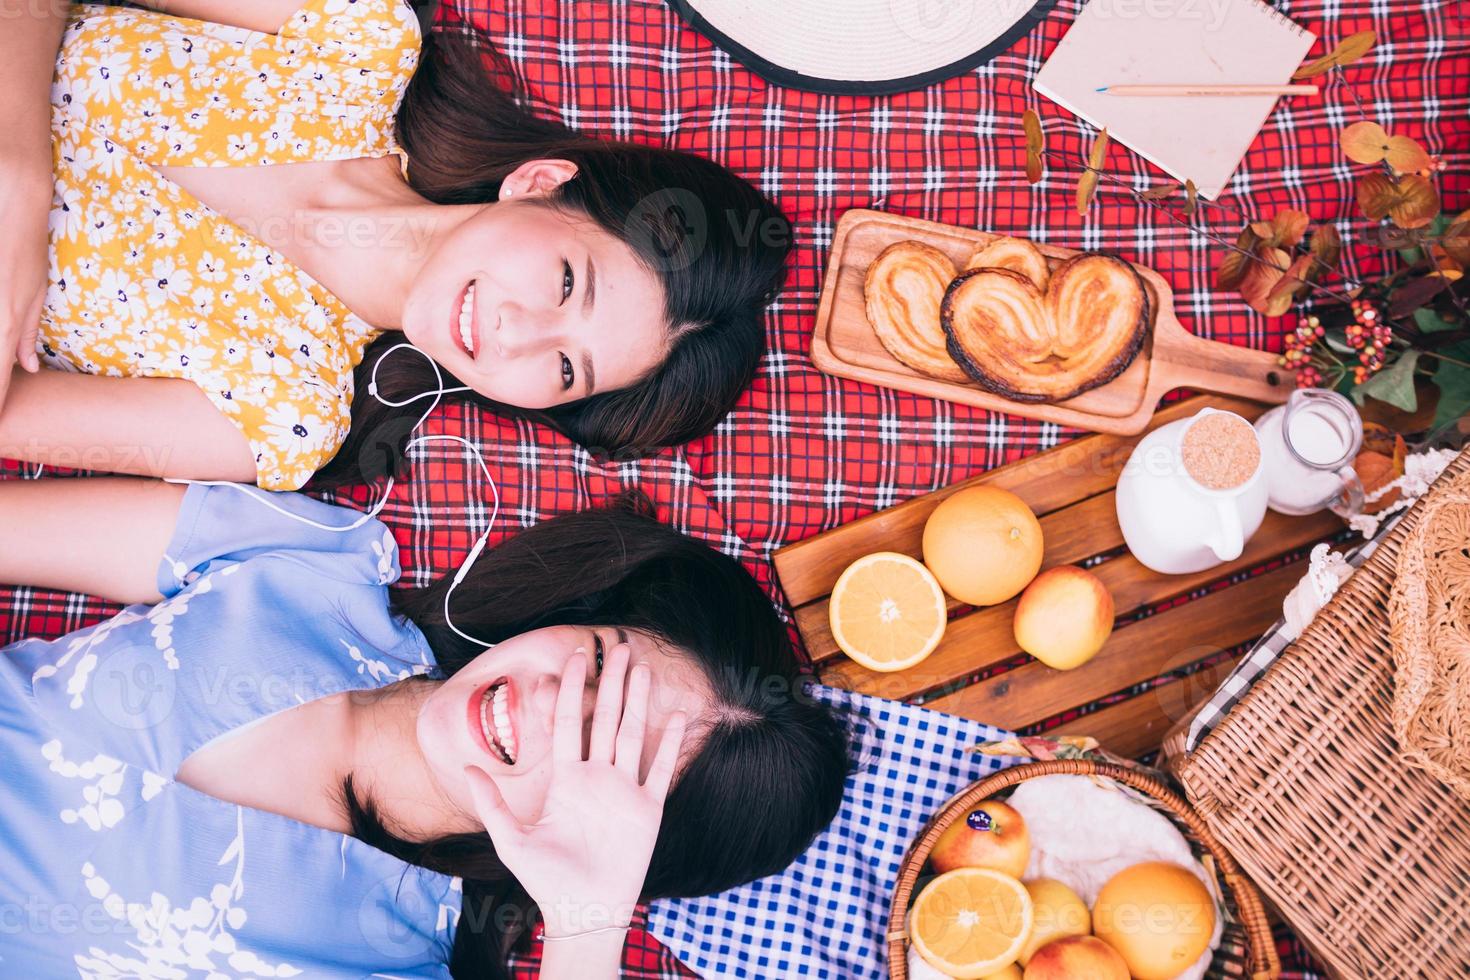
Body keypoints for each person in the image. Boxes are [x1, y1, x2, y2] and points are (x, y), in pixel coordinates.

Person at [0, 476, 848, 978]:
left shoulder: (393, 957)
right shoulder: (320, 560)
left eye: (603, 749)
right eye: (595, 665)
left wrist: (590, 923)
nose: (550, 704)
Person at [0, 0, 791, 490]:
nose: (517, 336)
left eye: (563, 370)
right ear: (540, 181)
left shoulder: (282, 416)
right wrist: (20, 174)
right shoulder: (355, 44)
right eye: (563, 284)